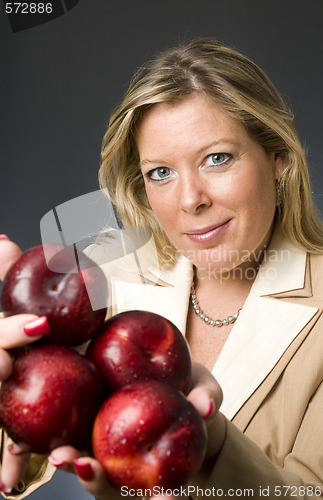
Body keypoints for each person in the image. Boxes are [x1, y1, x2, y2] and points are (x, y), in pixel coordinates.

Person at [0, 38, 322, 499]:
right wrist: (20, 388)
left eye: (217, 158)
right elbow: (33, 442)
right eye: (161, 173)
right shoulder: (108, 281)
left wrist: (207, 452)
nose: (190, 200)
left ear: (279, 160)